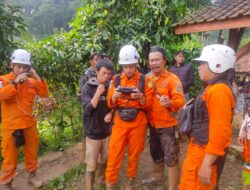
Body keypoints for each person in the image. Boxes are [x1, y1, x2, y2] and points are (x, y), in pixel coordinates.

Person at [179, 44, 236, 190]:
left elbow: (220, 131)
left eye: (203, 63)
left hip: (204, 153)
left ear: (218, 64)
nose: (199, 67)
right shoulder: (211, 88)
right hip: (199, 149)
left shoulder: (219, 91)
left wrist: (207, 163)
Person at [105, 45, 153, 190]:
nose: (128, 70)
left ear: (136, 64)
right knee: (114, 154)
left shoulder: (145, 80)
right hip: (120, 122)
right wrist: (114, 97)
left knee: (134, 155)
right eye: (125, 67)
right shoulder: (116, 79)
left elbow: (149, 105)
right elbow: (110, 103)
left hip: (138, 123)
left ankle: (129, 182)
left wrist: (140, 97)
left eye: (131, 66)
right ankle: (110, 182)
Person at [0, 49, 49, 190]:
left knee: (32, 153)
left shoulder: (31, 82)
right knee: (9, 157)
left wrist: (35, 75)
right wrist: (15, 83)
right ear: (11, 65)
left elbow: (45, 93)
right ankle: (6, 183)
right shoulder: (3, 80)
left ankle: (32, 177)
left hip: (29, 124)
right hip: (11, 127)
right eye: (19, 66)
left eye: (25, 67)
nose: (22, 69)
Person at [143, 46, 185, 190]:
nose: (154, 63)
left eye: (157, 60)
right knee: (156, 154)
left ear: (164, 61)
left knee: (171, 157)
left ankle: (173, 187)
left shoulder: (173, 79)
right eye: (151, 60)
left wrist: (170, 102)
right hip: (152, 125)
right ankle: (158, 180)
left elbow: (180, 101)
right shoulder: (147, 78)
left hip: (167, 125)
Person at [81, 59, 114, 190]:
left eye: (109, 74)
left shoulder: (110, 87)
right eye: (104, 73)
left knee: (104, 160)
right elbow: (87, 110)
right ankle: (90, 187)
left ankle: (101, 183)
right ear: (96, 72)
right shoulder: (88, 87)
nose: (106, 76)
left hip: (106, 132)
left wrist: (111, 113)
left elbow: (113, 105)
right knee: (91, 164)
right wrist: (98, 93)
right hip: (93, 134)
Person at [238, 103, 250, 190]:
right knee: (248, 166)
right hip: (248, 143)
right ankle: (246, 186)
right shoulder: (248, 114)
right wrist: (241, 134)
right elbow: (246, 120)